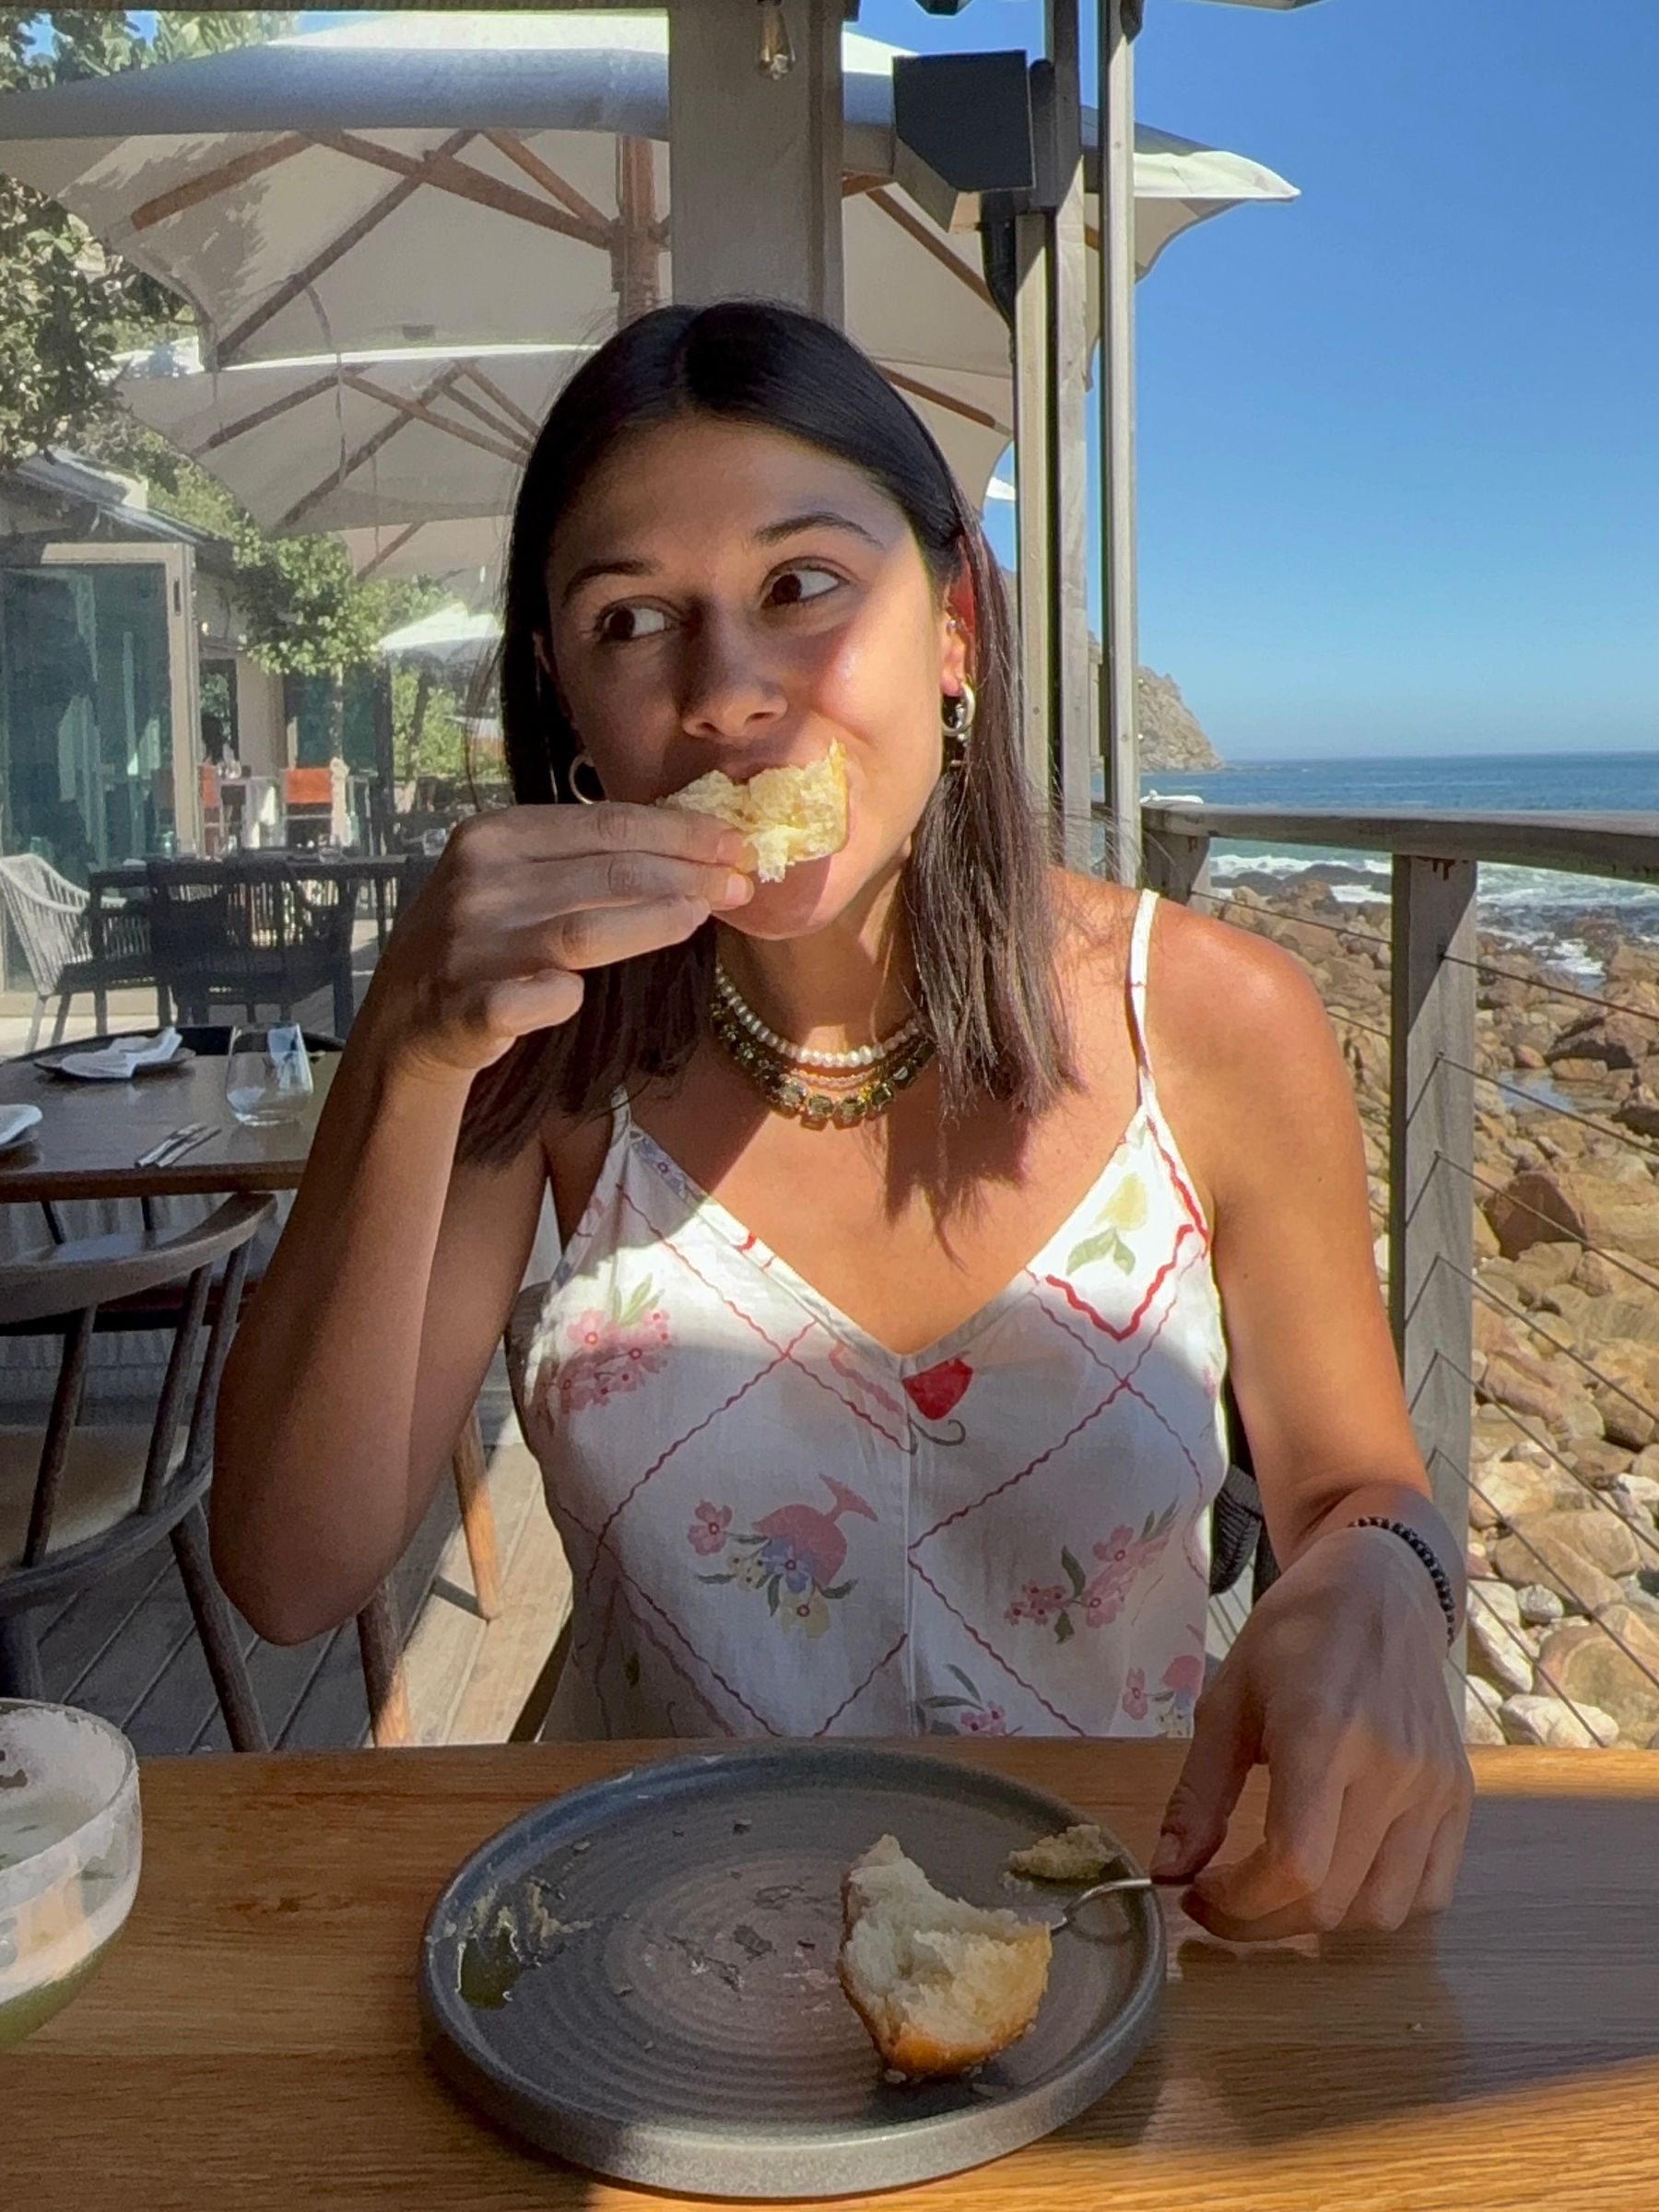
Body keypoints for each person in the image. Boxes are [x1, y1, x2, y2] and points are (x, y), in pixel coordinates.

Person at [211, 302, 1472, 1943]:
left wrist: (1388, 1578)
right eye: (632, 620)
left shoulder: (1220, 1022)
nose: (730, 693)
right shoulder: (539, 1060)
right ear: (566, 701)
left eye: (803, 589)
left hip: (1114, 1939)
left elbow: (1355, 1489)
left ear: (951, 626)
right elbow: (290, 1574)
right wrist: (401, 1046)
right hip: (643, 1951)